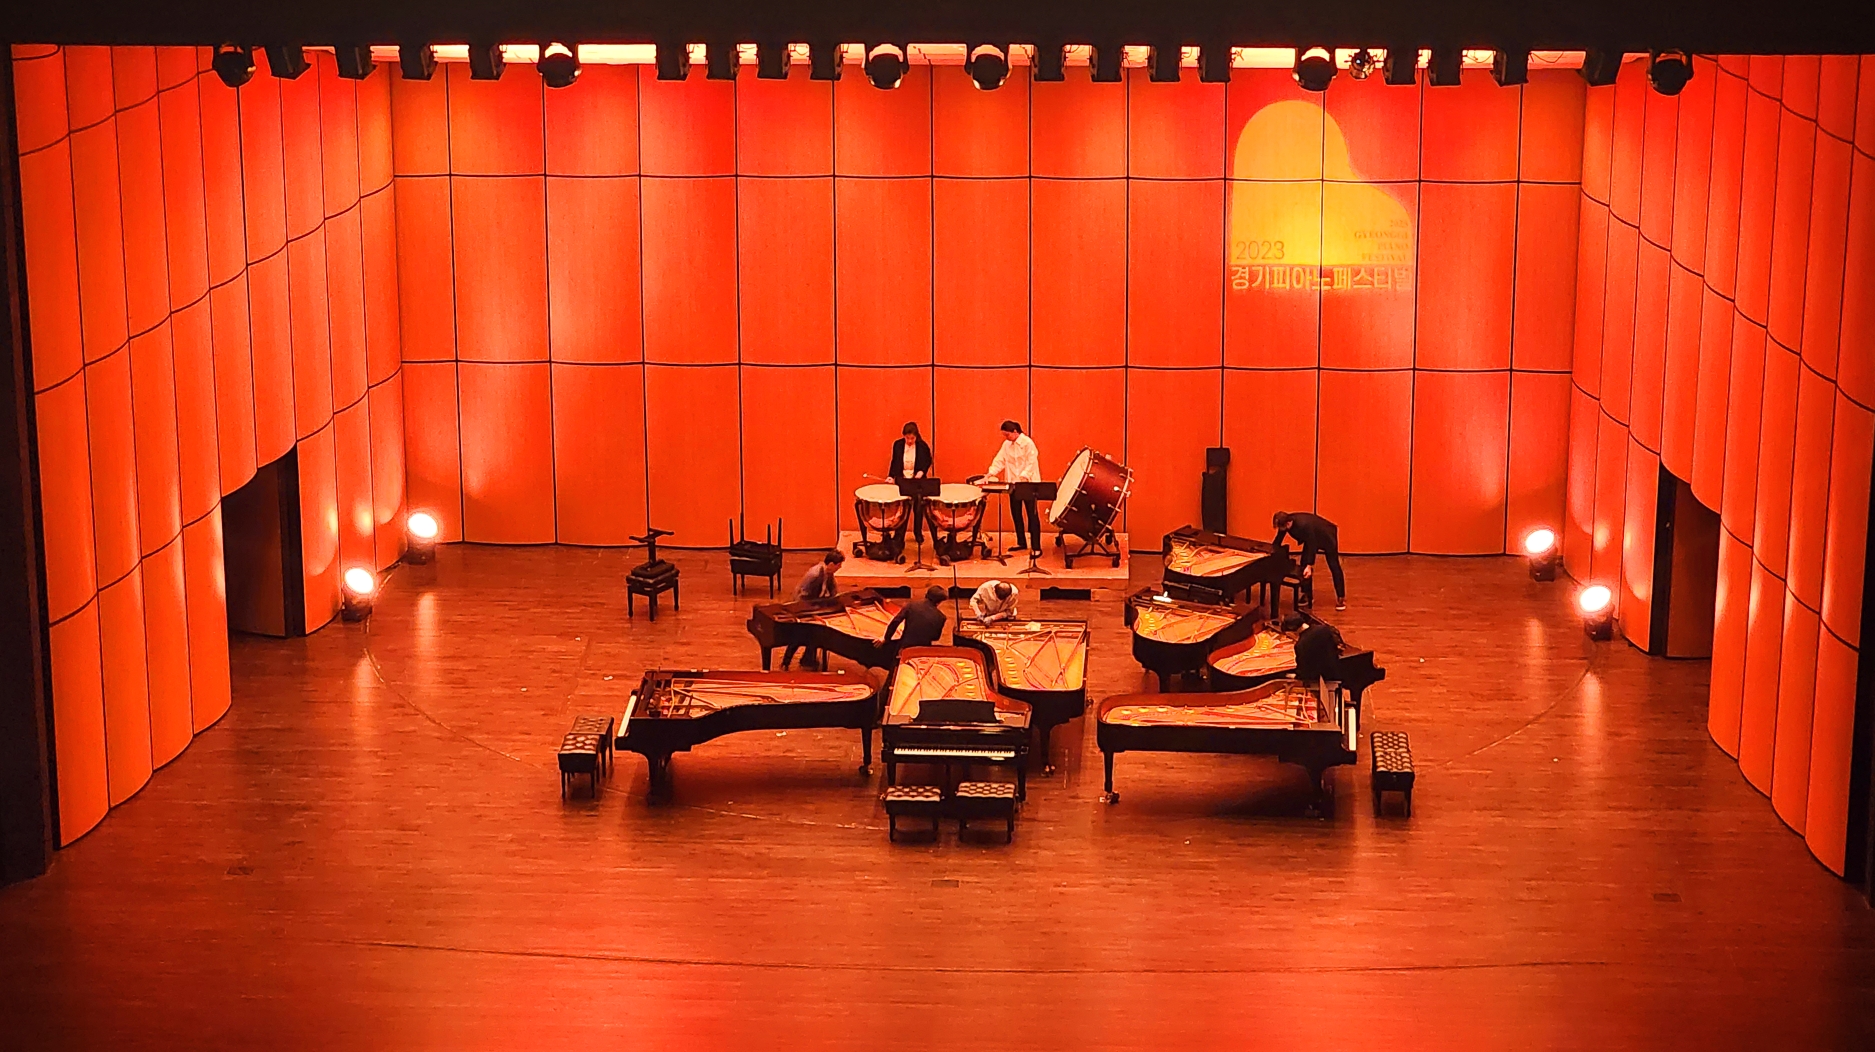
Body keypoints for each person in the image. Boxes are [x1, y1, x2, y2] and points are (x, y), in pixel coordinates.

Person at [982, 420, 1043, 551]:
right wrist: (989, 474)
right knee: (1016, 513)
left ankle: (1036, 547)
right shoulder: (1006, 445)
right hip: (1012, 484)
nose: (1006, 438)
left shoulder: (1028, 443)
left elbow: (1031, 463)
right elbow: (999, 460)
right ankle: (1021, 542)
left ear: (1015, 432)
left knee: (1032, 515)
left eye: (1007, 435)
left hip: (1028, 484)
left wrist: (1022, 477)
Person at [1272, 510, 1346, 611]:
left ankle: (1341, 596)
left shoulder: (1303, 525)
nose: (1281, 530)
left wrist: (1309, 565)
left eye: (1281, 528)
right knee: (1303, 565)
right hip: (1311, 538)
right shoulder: (1285, 522)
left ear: (1288, 523)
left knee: (1333, 565)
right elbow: (1278, 540)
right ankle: (1307, 594)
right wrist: (1270, 552)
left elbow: (1312, 544)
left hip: (1326, 536)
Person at [782, 550, 844, 671]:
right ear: (831, 564)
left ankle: (808, 659)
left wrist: (837, 603)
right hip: (801, 608)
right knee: (798, 637)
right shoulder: (815, 575)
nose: (840, 567)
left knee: (816, 633)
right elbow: (803, 595)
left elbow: (833, 591)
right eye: (838, 565)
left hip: (813, 606)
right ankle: (786, 662)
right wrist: (811, 610)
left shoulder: (828, 573)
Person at [887, 422, 934, 545]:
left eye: (912, 438)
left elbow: (928, 460)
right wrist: (891, 476)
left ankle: (917, 533)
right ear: (903, 436)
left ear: (916, 436)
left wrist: (922, 471)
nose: (909, 441)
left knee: (918, 508)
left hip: (917, 481)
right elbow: (894, 461)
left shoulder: (922, 446)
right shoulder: (898, 445)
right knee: (902, 509)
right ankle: (899, 536)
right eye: (907, 438)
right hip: (902, 480)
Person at [884, 585, 950, 653]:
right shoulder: (941, 617)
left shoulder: (911, 605)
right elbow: (936, 637)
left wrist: (887, 639)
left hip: (905, 647)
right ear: (939, 602)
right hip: (924, 650)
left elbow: (895, 622)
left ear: (926, 595)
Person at [1288, 614, 1344, 687]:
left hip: (1317, 680)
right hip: (1334, 670)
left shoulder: (1301, 644)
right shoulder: (1324, 629)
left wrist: (1295, 676)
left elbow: (1303, 670)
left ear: (1292, 630)